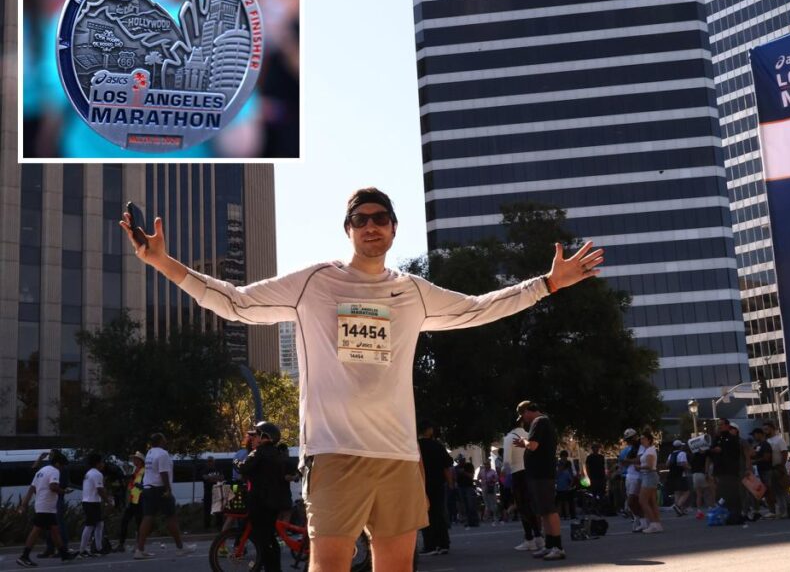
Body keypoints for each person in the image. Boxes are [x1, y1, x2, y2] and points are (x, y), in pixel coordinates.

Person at [121, 187, 603, 572]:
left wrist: (547, 283)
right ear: (348, 230)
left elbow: (477, 309)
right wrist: (164, 262)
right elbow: (235, 302)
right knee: (328, 565)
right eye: (360, 219)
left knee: (396, 566)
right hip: (333, 453)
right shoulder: (315, 283)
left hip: (396, 455)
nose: (371, 226)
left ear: (394, 228)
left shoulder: (412, 291)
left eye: (380, 218)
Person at [513, 400, 566, 561]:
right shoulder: (543, 422)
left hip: (542, 474)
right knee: (543, 511)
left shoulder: (539, 421)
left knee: (549, 510)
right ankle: (549, 545)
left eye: (523, 415)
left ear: (529, 411)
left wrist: (524, 443)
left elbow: (534, 445)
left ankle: (557, 547)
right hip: (539, 474)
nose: (524, 420)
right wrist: (526, 445)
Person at [237, 421, 292, 572]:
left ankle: (270, 568)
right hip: (273, 503)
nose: (254, 438)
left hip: (259, 502)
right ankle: (275, 568)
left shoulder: (259, 452)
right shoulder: (278, 453)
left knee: (263, 539)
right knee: (270, 538)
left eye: (256, 435)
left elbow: (244, 467)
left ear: (265, 437)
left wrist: (236, 462)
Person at [135, 432, 195, 559]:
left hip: (148, 487)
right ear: (161, 441)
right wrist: (168, 489)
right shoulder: (162, 454)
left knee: (147, 517)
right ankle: (180, 547)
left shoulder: (150, 453)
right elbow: (163, 473)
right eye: (165, 439)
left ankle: (139, 550)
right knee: (171, 517)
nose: (166, 441)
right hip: (160, 488)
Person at [17, 449, 75, 566]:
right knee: (36, 530)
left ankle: (64, 555)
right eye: (62, 466)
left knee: (54, 530)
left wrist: (24, 504)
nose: (62, 468)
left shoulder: (41, 471)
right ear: (58, 463)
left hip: (42, 504)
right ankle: (24, 556)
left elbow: (31, 489)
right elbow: (53, 487)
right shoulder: (55, 471)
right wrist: (64, 491)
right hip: (46, 506)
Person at [504, 417, 543, 552]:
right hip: (531, 473)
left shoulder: (509, 438)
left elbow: (507, 462)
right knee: (532, 505)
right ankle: (538, 536)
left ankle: (530, 538)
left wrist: (505, 477)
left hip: (517, 474)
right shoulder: (528, 435)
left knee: (522, 507)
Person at [417, 420, 452, 556]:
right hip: (438, 484)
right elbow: (446, 466)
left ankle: (430, 544)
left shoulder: (415, 447)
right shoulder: (437, 446)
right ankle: (443, 543)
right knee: (439, 513)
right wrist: (450, 483)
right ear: (429, 430)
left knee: (425, 515)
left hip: (421, 484)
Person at [710, 419, 744, 521]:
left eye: (721, 425)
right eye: (718, 425)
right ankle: (725, 513)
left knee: (732, 491)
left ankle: (735, 514)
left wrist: (722, 449)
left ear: (727, 426)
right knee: (721, 492)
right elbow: (711, 450)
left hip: (730, 470)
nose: (719, 427)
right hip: (720, 470)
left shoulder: (732, 439)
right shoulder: (717, 438)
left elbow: (735, 453)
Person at [79, 453, 108, 557]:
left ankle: (98, 548)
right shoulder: (97, 474)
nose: (103, 464)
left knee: (99, 524)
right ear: (98, 463)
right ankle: (82, 550)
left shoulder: (89, 473)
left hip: (88, 501)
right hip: (92, 502)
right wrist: (108, 501)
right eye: (102, 462)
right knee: (90, 525)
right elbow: (100, 490)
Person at [115, 452, 146, 552]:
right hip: (132, 499)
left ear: (140, 461)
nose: (134, 461)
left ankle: (138, 545)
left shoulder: (144, 471)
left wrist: (139, 486)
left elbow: (146, 486)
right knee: (125, 521)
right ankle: (121, 544)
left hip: (139, 500)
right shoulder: (134, 471)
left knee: (139, 523)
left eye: (136, 459)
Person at [763, 421, 790, 518]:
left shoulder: (779, 440)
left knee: (783, 490)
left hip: (779, 468)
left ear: (772, 429)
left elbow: (784, 452)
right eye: (764, 429)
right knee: (776, 491)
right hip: (770, 469)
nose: (765, 431)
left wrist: (781, 466)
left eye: (767, 429)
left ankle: (788, 510)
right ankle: (782, 510)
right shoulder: (766, 441)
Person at [619, 428, 644, 532]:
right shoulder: (629, 449)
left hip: (637, 475)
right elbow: (622, 463)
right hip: (629, 475)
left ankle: (642, 520)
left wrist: (627, 461)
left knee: (633, 500)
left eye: (630, 438)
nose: (629, 441)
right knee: (631, 500)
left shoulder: (640, 447)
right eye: (627, 439)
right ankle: (639, 519)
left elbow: (639, 460)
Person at [637, 431, 663, 533]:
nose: (641, 440)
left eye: (643, 438)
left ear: (648, 440)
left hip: (649, 475)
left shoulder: (650, 451)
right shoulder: (647, 450)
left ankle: (653, 524)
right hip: (648, 476)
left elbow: (649, 465)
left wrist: (639, 467)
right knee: (652, 501)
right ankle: (657, 523)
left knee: (643, 500)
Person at [666, 439, 690, 516]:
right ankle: (678, 506)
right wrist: (689, 468)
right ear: (680, 447)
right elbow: (683, 463)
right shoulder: (682, 453)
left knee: (677, 492)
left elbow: (667, 464)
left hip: (672, 475)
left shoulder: (671, 454)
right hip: (681, 475)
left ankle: (680, 510)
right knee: (686, 492)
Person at [201, 456, 225, 530]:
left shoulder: (218, 469)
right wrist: (215, 478)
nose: (210, 462)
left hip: (217, 492)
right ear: (206, 462)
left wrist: (211, 478)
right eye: (208, 461)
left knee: (218, 510)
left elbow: (222, 478)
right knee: (207, 510)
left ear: (214, 462)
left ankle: (219, 526)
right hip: (208, 493)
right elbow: (205, 477)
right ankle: (207, 527)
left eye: (211, 461)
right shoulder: (204, 470)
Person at [689, 444, 713, 517]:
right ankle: (710, 509)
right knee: (708, 492)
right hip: (702, 474)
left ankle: (699, 511)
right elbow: (707, 464)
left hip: (695, 475)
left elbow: (690, 466)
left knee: (699, 494)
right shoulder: (706, 456)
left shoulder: (694, 456)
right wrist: (706, 473)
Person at [583, 444, 607, 511]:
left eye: (597, 448)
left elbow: (603, 467)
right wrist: (588, 476)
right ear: (592, 449)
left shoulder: (601, 457)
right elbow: (587, 467)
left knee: (602, 493)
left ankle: (601, 507)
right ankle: (594, 508)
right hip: (593, 477)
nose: (596, 449)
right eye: (594, 448)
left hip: (601, 476)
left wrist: (604, 476)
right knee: (594, 493)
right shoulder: (589, 457)